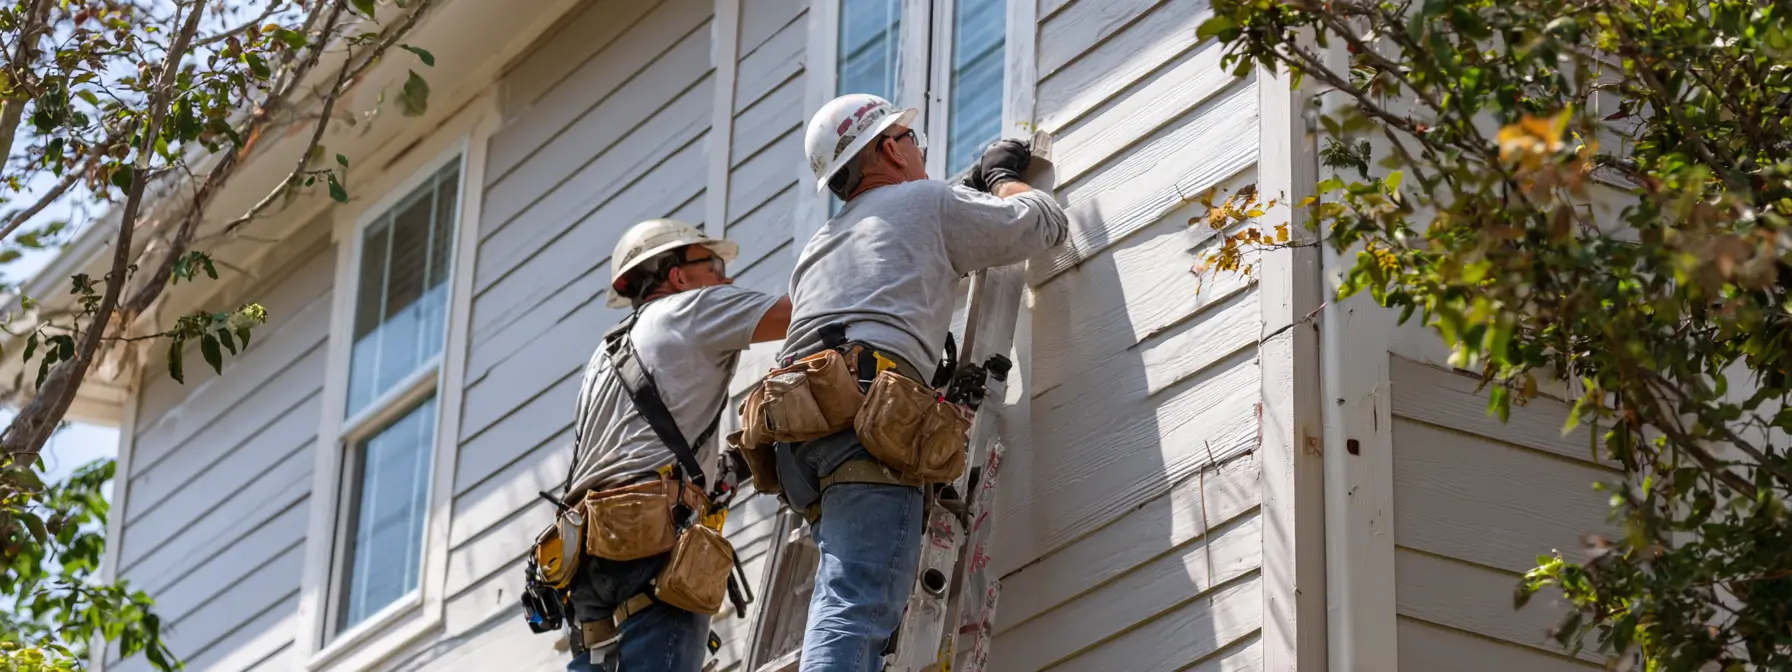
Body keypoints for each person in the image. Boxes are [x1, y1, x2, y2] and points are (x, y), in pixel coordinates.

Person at [775, 93, 1068, 671]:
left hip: (799, 439)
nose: (920, 151)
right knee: (859, 603)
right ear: (888, 147)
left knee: (850, 600)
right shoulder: (927, 204)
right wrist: (1003, 176)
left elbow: (896, 247)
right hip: (866, 428)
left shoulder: (819, 248)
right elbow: (1043, 225)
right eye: (912, 141)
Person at [560, 218, 791, 672]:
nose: (726, 280)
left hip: (588, 558)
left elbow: (627, 451)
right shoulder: (692, 309)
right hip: (651, 544)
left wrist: (714, 471)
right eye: (715, 266)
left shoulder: (604, 354)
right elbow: (809, 310)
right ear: (679, 277)